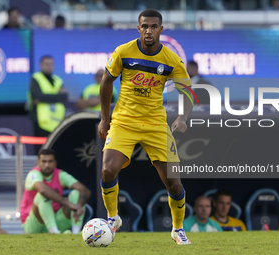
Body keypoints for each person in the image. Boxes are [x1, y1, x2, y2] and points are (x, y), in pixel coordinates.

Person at [97, 9, 193, 245]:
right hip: (124, 121)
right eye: (144, 26)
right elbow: (106, 81)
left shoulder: (171, 59)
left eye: (153, 26)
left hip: (155, 124)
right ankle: (112, 219)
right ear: (138, 28)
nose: (148, 30)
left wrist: (183, 117)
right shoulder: (123, 52)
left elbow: (188, 92)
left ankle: (178, 229)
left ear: (161, 29)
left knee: (174, 182)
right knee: (108, 170)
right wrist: (104, 118)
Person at [20, 149, 91, 234]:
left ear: (55, 163)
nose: (47, 165)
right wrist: (67, 203)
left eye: (50, 162)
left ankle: (76, 232)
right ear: (38, 162)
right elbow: (43, 190)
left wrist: (78, 206)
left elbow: (84, 190)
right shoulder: (33, 174)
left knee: (76, 193)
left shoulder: (60, 174)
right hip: (34, 224)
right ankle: (54, 232)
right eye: (44, 161)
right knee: (42, 195)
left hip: (55, 220)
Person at [28, 55, 67, 152]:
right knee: (42, 150)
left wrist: (45, 97)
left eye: (51, 64)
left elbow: (65, 96)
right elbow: (37, 97)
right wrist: (57, 96)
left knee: (56, 149)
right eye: (46, 64)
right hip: (41, 121)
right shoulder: (36, 78)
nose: (49, 66)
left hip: (57, 121)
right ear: (40, 65)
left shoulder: (57, 80)